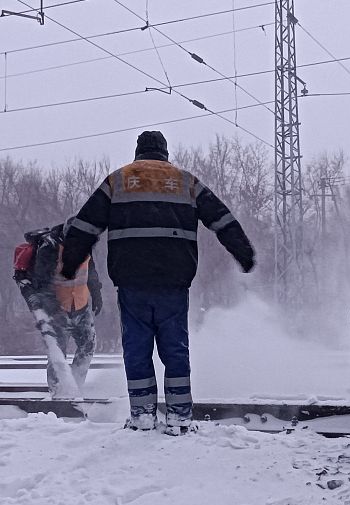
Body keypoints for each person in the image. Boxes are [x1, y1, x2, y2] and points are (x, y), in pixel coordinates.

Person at [60, 130, 255, 435]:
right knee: (175, 349)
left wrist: (70, 265)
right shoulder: (186, 182)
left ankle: (142, 416)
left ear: (138, 152)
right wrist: (244, 254)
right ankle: (178, 417)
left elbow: (86, 226)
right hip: (173, 283)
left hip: (132, 282)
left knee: (137, 350)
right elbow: (222, 218)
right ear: (165, 152)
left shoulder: (119, 181)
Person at [14, 223, 103, 396]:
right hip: (58, 308)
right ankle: (58, 394)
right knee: (58, 353)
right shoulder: (50, 247)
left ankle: (75, 388)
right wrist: (53, 309)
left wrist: (96, 292)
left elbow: (89, 269)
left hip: (80, 305)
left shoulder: (84, 242)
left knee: (88, 345)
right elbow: (41, 283)